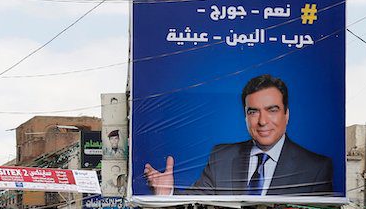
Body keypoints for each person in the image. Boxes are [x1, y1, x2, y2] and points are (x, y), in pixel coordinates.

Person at [143, 74, 333, 197]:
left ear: (287, 114)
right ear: (245, 116)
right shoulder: (222, 156)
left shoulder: (315, 167)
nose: (262, 121)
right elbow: (196, 202)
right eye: (253, 112)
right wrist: (167, 193)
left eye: (272, 110)